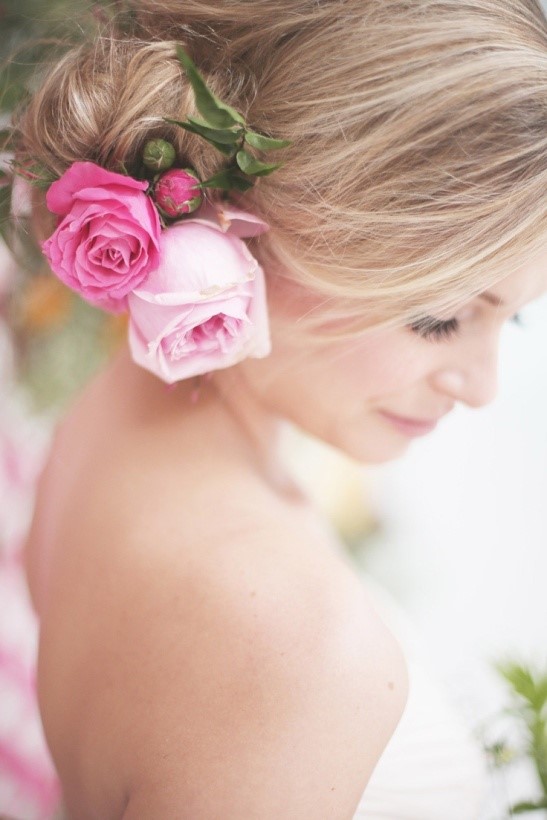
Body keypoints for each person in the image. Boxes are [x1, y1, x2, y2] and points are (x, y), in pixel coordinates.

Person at [12, 0, 547, 817]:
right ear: (244, 225)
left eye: (509, 316)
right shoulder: (298, 650)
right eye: (437, 315)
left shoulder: (128, 399)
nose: (480, 386)